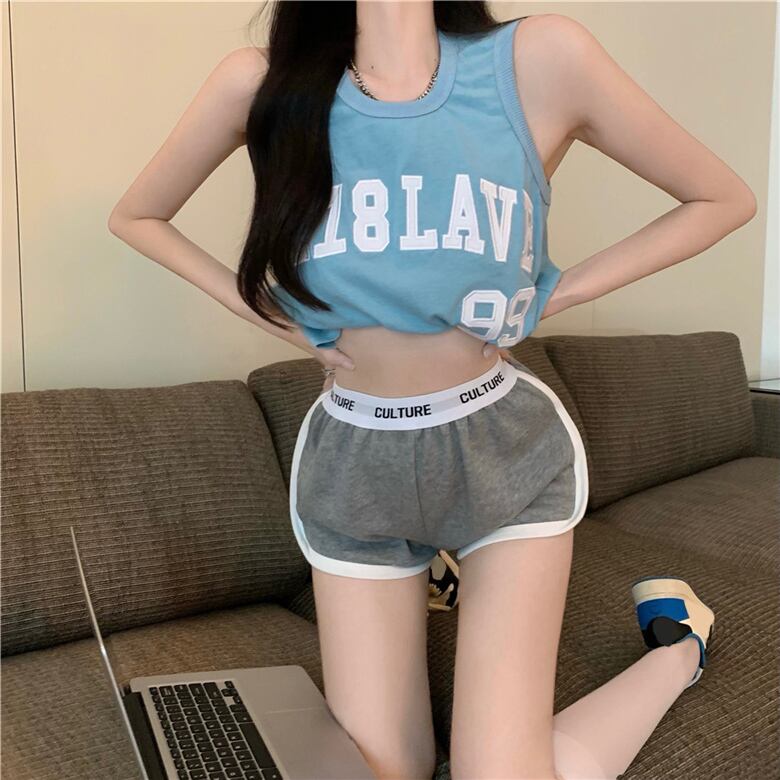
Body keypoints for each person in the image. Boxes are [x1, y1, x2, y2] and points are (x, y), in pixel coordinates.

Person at [108, 2, 756, 778]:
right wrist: (265, 310)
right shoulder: (264, 87)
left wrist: (557, 293)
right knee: (381, 770)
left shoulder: (537, 61)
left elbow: (722, 198)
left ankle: (680, 647)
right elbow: (136, 215)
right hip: (356, 466)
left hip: (501, 453)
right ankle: (434, 566)